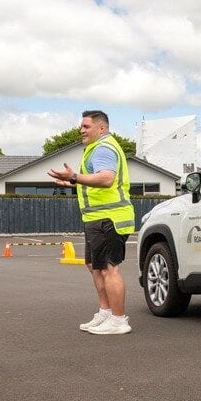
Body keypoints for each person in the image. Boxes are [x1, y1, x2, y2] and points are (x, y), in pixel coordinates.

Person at [48, 110, 133, 334]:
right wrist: (74, 184)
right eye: (82, 126)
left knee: (109, 269)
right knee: (94, 266)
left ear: (101, 128)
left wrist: (74, 177)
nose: (81, 130)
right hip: (97, 218)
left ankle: (118, 320)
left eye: (86, 126)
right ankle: (105, 312)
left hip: (109, 218)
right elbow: (97, 181)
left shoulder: (103, 148)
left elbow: (106, 179)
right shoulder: (96, 149)